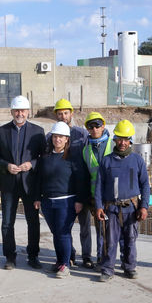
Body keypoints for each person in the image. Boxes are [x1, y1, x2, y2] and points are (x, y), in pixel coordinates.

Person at [0, 95, 46, 270]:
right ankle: (10, 257)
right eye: (17, 110)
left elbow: (43, 157)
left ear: (28, 112)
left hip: (30, 184)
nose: (20, 113)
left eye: (23, 110)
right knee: (7, 222)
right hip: (9, 184)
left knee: (33, 221)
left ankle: (33, 255)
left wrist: (32, 164)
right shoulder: (1, 131)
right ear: (12, 112)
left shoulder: (38, 132)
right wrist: (7, 166)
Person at [95, 120, 149, 281]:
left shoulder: (137, 160)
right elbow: (98, 186)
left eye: (126, 139)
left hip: (131, 209)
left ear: (130, 140)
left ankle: (129, 267)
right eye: (119, 138)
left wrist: (144, 206)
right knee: (109, 240)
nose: (123, 142)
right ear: (115, 139)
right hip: (111, 209)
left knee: (130, 240)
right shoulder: (106, 161)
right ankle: (107, 269)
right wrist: (98, 206)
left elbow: (145, 185)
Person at [34, 121, 88, 278]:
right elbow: (39, 179)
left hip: (67, 201)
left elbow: (80, 180)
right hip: (48, 202)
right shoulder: (46, 157)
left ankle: (65, 264)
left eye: (61, 137)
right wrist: (37, 198)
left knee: (63, 232)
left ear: (67, 139)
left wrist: (79, 200)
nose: (57, 139)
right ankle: (60, 261)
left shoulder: (73, 157)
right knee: (56, 233)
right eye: (55, 136)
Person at [53, 99, 93, 268]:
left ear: (71, 113)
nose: (63, 116)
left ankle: (87, 256)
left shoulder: (81, 134)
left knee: (85, 224)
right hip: (64, 187)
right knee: (65, 225)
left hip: (81, 184)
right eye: (60, 113)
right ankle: (70, 255)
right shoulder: (52, 136)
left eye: (66, 113)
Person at [82, 112, 113, 269]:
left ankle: (124, 261)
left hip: (113, 196)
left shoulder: (114, 144)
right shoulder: (86, 150)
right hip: (96, 197)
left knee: (116, 232)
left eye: (97, 125)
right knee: (100, 230)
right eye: (91, 126)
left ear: (103, 126)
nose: (94, 129)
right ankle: (102, 258)